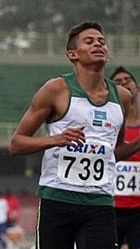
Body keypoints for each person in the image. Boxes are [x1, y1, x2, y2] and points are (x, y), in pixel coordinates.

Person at [9, 21, 140, 249]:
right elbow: (16, 144)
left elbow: (114, 152)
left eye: (102, 42)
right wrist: (55, 139)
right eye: (89, 42)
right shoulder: (56, 89)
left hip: (100, 202)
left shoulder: (122, 97)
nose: (98, 45)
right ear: (72, 54)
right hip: (58, 198)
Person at [111, 66, 140, 249]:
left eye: (128, 80)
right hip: (109, 207)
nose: (124, 84)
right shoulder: (109, 124)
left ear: (136, 87)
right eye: (118, 82)